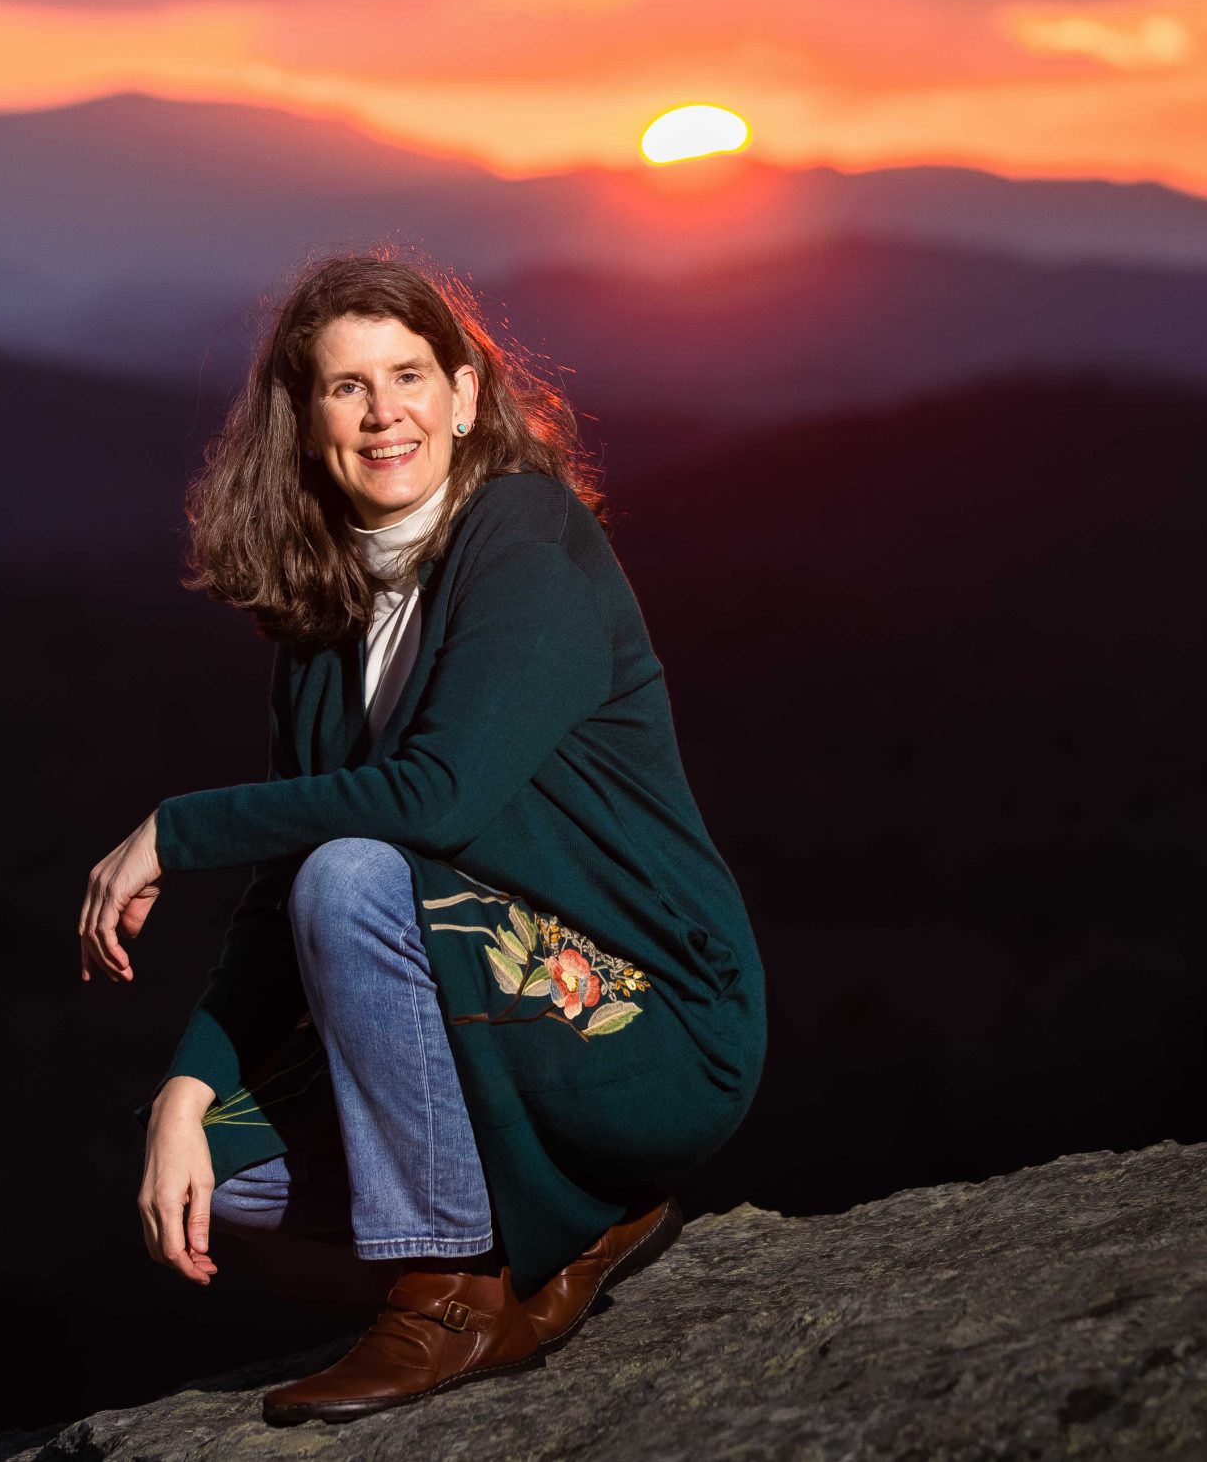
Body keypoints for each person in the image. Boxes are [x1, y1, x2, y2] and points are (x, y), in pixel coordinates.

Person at [78, 249, 766, 1426]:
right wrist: (186, 1090)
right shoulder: (323, 620)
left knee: (354, 874)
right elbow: (276, 899)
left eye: (408, 375)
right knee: (227, 1181)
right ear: (303, 423)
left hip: (654, 1021)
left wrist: (176, 828)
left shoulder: (524, 539)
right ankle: (572, 1228)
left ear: (462, 395)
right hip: (480, 990)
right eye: (347, 387)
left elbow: (435, 798)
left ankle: (451, 1290)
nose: (384, 412)